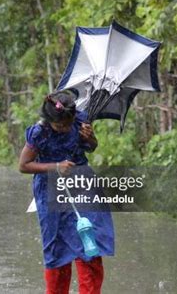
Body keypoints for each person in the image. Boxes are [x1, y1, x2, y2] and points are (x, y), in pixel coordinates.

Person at [18, 90, 114, 294]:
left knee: (90, 242)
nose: (66, 129)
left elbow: (91, 147)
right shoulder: (39, 133)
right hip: (51, 189)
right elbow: (24, 165)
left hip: (83, 185)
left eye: (69, 124)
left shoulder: (80, 120)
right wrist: (56, 166)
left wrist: (91, 138)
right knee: (57, 248)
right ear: (50, 120)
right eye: (60, 126)